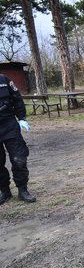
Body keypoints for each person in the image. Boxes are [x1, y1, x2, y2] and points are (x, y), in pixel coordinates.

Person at [0, 74, 36, 205]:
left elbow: (17, 99)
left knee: (19, 159)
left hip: (9, 125)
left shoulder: (4, 80)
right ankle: (4, 191)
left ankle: (22, 190)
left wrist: (21, 118)